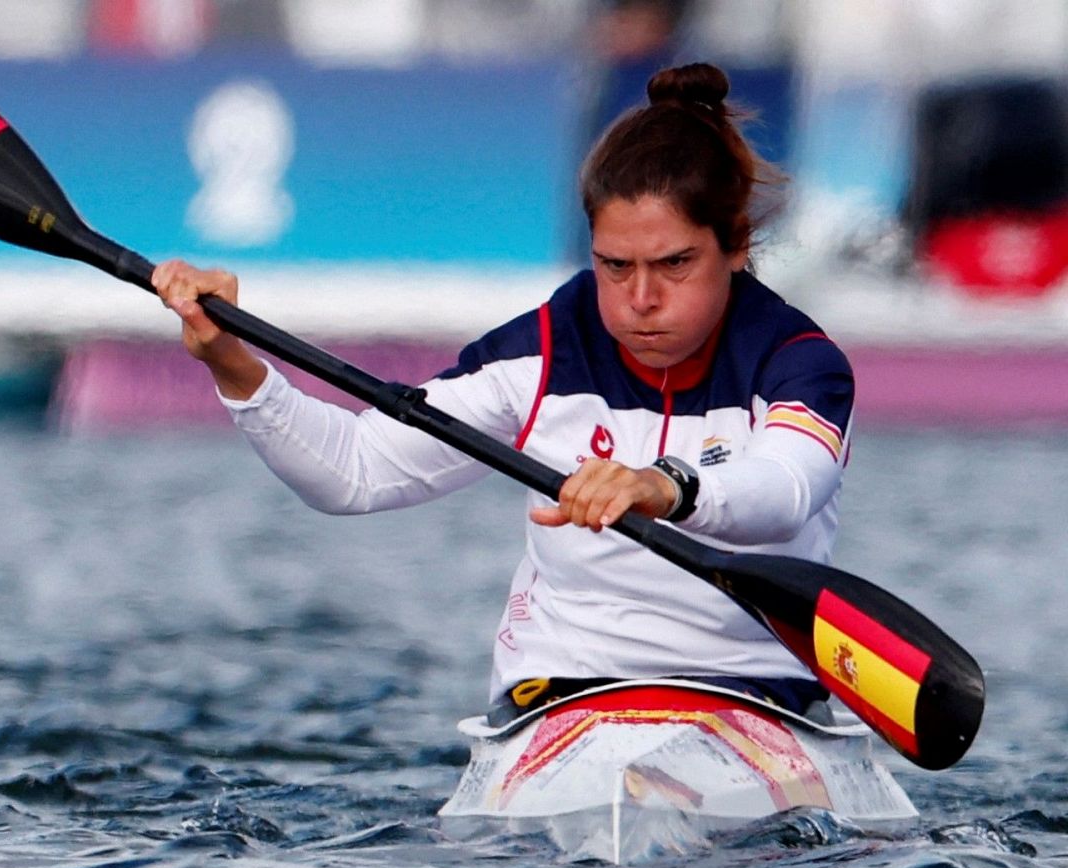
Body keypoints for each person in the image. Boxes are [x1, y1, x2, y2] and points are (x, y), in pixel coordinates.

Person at [152, 62, 851, 726]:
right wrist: (229, 360)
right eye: (614, 266)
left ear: (733, 246)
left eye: (674, 264)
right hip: (566, 695)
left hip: (758, 696)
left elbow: (787, 487)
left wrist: (663, 487)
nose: (641, 299)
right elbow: (354, 472)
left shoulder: (797, 363)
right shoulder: (544, 352)